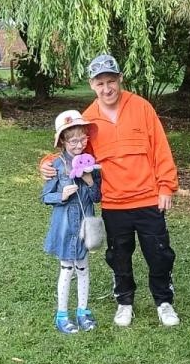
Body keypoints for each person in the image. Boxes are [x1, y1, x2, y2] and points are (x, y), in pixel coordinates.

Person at [45, 54, 180, 327]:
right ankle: (124, 301)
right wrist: (47, 163)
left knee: (159, 252)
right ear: (92, 85)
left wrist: (166, 186)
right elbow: (73, 152)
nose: (106, 88)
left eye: (111, 81)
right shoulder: (88, 119)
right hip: (114, 203)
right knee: (119, 255)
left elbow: (161, 150)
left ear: (120, 79)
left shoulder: (142, 107)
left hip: (148, 198)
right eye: (100, 83)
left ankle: (163, 301)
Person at [42, 110, 102, 333]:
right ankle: (62, 315)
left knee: (83, 269)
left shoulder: (91, 165)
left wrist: (89, 180)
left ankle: (83, 311)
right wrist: (62, 195)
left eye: (82, 139)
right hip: (66, 226)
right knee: (67, 270)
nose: (78, 145)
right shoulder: (55, 166)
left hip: (85, 226)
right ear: (62, 141)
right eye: (73, 140)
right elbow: (45, 196)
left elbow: (97, 197)